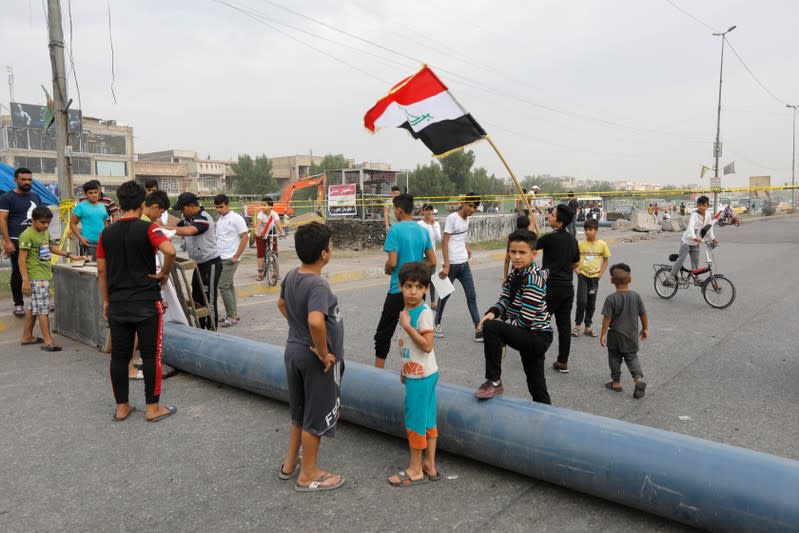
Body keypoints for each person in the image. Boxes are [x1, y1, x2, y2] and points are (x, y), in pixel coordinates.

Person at [97, 180, 177, 422]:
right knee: (152, 355)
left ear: (119, 203)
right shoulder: (149, 229)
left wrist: (106, 301)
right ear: (142, 203)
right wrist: (164, 273)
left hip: (118, 302)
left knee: (119, 356)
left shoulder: (106, 232)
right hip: (146, 302)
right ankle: (153, 409)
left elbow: (102, 270)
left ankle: (122, 407)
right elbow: (170, 251)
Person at [277, 222, 345, 492]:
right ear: (325, 253)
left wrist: (298, 328)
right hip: (314, 359)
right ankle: (309, 474)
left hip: (293, 350)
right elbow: (316, 321)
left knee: (299, 412)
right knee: (315, 416)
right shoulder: (318, 285)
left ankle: (289, 464)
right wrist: (322, 350)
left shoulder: (292, 276)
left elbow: (281, 304)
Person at [475, 230, 553, 403]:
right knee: (536, 384)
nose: (517, 257)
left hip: (537, 336)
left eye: (522, 252)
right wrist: (492, 312)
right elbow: (504, 300)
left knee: (492, 327)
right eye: (513, 252)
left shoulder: (533, 278)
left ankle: (494, 381)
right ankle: (545, 414)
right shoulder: (515, 274)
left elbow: (525, 318)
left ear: (533, 254)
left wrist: (503, 334)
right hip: (527, 333)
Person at [387, 262, 440, 486]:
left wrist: (408, 327)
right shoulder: (408, 311)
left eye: (419, 287)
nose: (413, 292)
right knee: (427, 417)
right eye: (408, 286)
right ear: (400, 286)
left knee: (415, 420)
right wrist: (405, 368)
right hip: (419, 372)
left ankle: (416, 469)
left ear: (426, 289)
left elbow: (427, 346)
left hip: (421, 377)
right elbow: (410, 349)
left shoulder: (423, 313)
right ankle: (430, 464)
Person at [374, 193, 435, 368]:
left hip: (398, 290)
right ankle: (418, 367)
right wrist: (416, 265)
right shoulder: (423, 231)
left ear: (399, 210)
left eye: (394, 209)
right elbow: (432, 261)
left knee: (383, 334)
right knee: (418, 332)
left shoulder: (395, 230)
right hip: (416, 290)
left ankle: (378, 372)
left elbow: (392, 263)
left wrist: (388, 266)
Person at [18, 206, 84, 351]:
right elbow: (21, 260)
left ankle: (27, 336)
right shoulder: (27, 235)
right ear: (33, 220)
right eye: (42, 222)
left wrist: (70, 255)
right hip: (36, 277)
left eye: (48, 222)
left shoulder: (44, 232)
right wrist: (25, 280)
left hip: (44, 275)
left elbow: (52, 248)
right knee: (43, 309)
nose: (46, 225)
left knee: (34, 307)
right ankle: (48, 341)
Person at [535, 204, 580, 373]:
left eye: (552, 215)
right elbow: (575, 262)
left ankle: (535, 353)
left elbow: (532, 247)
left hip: (551, 287)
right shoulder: (573, 240)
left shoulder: (550, 238)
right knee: (564, 326)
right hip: (567, 288)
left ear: (560, 223)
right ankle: (563, 362)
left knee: (540, 321)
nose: (549, 216)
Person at [435, 193, 482, 342]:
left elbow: (462, 237)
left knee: (471, 296)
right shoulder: (452, 218)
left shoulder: (467, 219)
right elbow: (445, 241)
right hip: (452, 265)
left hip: (464, 265)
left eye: (475, 207)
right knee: (445, 295)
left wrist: (467, 248)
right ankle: (437, 324)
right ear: (464, 203)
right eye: (470, 205)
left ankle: (478, 328)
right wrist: (447, 265)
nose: (472, 209)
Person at [171, 192, 222, 329]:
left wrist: (164, 229)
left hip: (210, 263)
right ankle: (201, 329)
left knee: (209, 300)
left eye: (183, 209)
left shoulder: (203, 218)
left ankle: (212, 332)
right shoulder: (189, 218)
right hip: (198, 264)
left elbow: (188, 231)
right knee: (197, 298)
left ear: (192, 206)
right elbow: (176, 224)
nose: (181, 212)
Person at [599, 263, 648, 399]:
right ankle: (638, 380)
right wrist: (645, 329)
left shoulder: (611, 298)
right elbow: (643, 314)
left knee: (614, 357)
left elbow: (607, 319)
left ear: (611, 281)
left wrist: (603, 334)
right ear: (630, 279)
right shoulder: (636, 296)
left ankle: (616, 383)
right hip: (631, 335)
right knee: (631, 357)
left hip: (615, 336)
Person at [0, 167, 41, 317]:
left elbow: (41, 218)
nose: (26, 182)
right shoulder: (7, 198)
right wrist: (7, 241)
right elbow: (2, 219)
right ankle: (18, 304)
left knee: (38, 270)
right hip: (16, 241)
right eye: (23, 179)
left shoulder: (36, 197)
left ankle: (39, 300)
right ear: (15, 180)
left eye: (29, 180)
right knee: (18, 272)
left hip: (36, 241)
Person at [214, 194, 249, 327]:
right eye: (216, 207)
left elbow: (245, 237)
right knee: (228, 286)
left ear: (227, 205)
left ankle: (232, 317)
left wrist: (236, 256)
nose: (218, 209)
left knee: (223, 286)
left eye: (221, 207)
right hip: (221, 257)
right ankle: (232, 313)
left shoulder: (236, 219)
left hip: (230, 258)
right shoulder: (220, 219)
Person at [666, 195, 716, 287]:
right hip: (687, 241)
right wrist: (693, 237)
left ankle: (695, 278)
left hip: (696, 243)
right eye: (699, 205)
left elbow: (708, 228)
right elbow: (690, 228)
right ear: (697, 205)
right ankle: (672, 276)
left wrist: (713, 238)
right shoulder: (694, 215)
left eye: (704, 205)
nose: (701, 207)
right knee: (681, 259)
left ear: (707, 206)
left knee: (695, 261)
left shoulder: (708, 215)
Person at [573, 218, 610, 338]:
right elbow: (573, 260)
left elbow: (605, 261)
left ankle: (588, 327)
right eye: (586, 230)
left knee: (591, 303)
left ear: (596, 230)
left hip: (594, 278)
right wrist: (577, 271)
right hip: (582, 276)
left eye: (590, 229)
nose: (588, 232)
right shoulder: (580, 244)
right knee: (581, 301)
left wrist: (600, 275)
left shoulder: (602, 245)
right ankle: (577, 326)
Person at [71, 180, 110, 260]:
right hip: (89, 244)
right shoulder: (80, 207)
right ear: (86, 194)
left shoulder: (102, 206)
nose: (94, 195)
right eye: (90, 193)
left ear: (99, 192)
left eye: (95, 192)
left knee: (104, 267)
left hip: (103, 243)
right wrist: (81, 238)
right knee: (91, 268)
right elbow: (72, 223)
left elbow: (106, 224)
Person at [254, 197, 286, 282]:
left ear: (271, 206)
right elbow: (258, 226)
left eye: (264, 205)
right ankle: (260, 273)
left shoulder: (274, 214)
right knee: (260, 253)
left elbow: (279, 226)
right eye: (262, 205)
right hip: (261, 234)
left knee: (275, 251)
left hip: (271, 233)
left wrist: (282, 232)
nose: (262, 207)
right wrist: (256, 232)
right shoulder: (260, 215)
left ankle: (274, 272)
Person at [416, 203, 441, 309]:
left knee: (432, 279)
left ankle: (433, 301)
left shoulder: (435, 224)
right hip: (421, 256)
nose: (429, 212)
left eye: (430, 210)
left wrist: (433, 225)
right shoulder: (419, 224)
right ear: (423, 211)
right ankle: (421, 302)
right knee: (422, 280)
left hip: (432, 256)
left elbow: (438, 238)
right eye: (427, 210)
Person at [502, 214, 533, 284]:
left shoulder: (512, 238)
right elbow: (531, 229)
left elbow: (507, 258)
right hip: (528, 273)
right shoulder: (530, 237)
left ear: (517, 225)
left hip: (515, 272)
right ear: (528, 225)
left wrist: (505, 276)